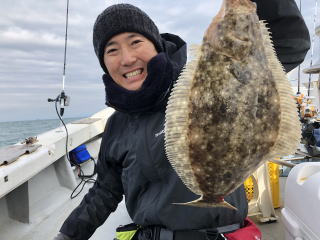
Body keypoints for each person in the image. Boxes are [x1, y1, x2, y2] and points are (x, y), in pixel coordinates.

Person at [54, 1, 310, 239]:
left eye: (135, 42)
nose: (127, 58)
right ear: (104, 63)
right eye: (112, 50)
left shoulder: (205, 84)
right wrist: (67, 236)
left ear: (155, 44)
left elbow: (291, 44)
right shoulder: (117, 125)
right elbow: (105, 192)